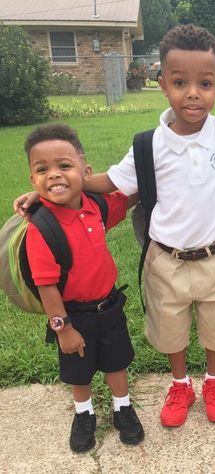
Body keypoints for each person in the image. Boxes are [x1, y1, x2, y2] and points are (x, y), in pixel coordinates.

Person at [16, 25, 215, 428]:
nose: (193, 93)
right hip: (166, 259)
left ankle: (213, 381)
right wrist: (56, 187)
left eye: (205, 83)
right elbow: (108, 182)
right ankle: (180, 384)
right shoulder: (149, 144)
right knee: (171, 329)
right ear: (162, 83)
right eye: (180, 82)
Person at [24, 124, 143, 453]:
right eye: (42, 169)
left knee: (116, 362)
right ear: (32, 180)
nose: (54, 175)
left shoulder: (97, 207)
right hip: (73, 315)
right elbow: (47, 287)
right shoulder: (41, 229)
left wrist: (154, 177)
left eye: (64, 166)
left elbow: (131, 195)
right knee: (80, 371)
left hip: (109, 306)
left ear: (85, 171)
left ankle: (123, 407)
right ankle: (84, 414)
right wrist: (62, 329)